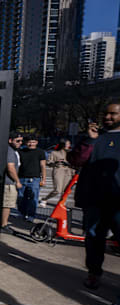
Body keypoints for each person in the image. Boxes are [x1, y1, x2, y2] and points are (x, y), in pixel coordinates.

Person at [74, 101, 120, 290]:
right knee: (93, 238)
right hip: (94, 200)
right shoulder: (94, 138)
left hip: (118, 201)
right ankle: (94, 273)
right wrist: (90, 140)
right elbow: (76, 159)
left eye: (113, 114)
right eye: (106, 114)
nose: (108, 117)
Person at [17, 134, 46, 221]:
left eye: (33, 142)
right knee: (21, 197)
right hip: (21, 177)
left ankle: (31, 216)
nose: (31, 144)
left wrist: (43, 179)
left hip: (35, 178)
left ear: (36, 142)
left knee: (33, 198)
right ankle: (22, 213)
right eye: (29, 142)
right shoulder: (21, 151)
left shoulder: (40, 152)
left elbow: (43, 166)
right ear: (26, 143)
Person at [40, 138, 73, 207]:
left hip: (68, 171)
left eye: (69, 144)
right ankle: (45, 199)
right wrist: (56, 162)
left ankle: (61, 203)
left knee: (65, 190)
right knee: (58, 189)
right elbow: (48, 162)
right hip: (58, 170)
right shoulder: (54, 153)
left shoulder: (71, 153)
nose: (69, 145)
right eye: (67, 144)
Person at [1, 132, 24, 232]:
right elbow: (10, 168)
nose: (20, 143)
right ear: (10, 140)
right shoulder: (10, 151)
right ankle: (3, 224)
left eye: (21, 141)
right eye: (17, 141)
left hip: (9, 182)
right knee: (7, 205)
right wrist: (17, 181)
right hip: (9, 182)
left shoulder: (13, 151)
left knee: (7, 204)